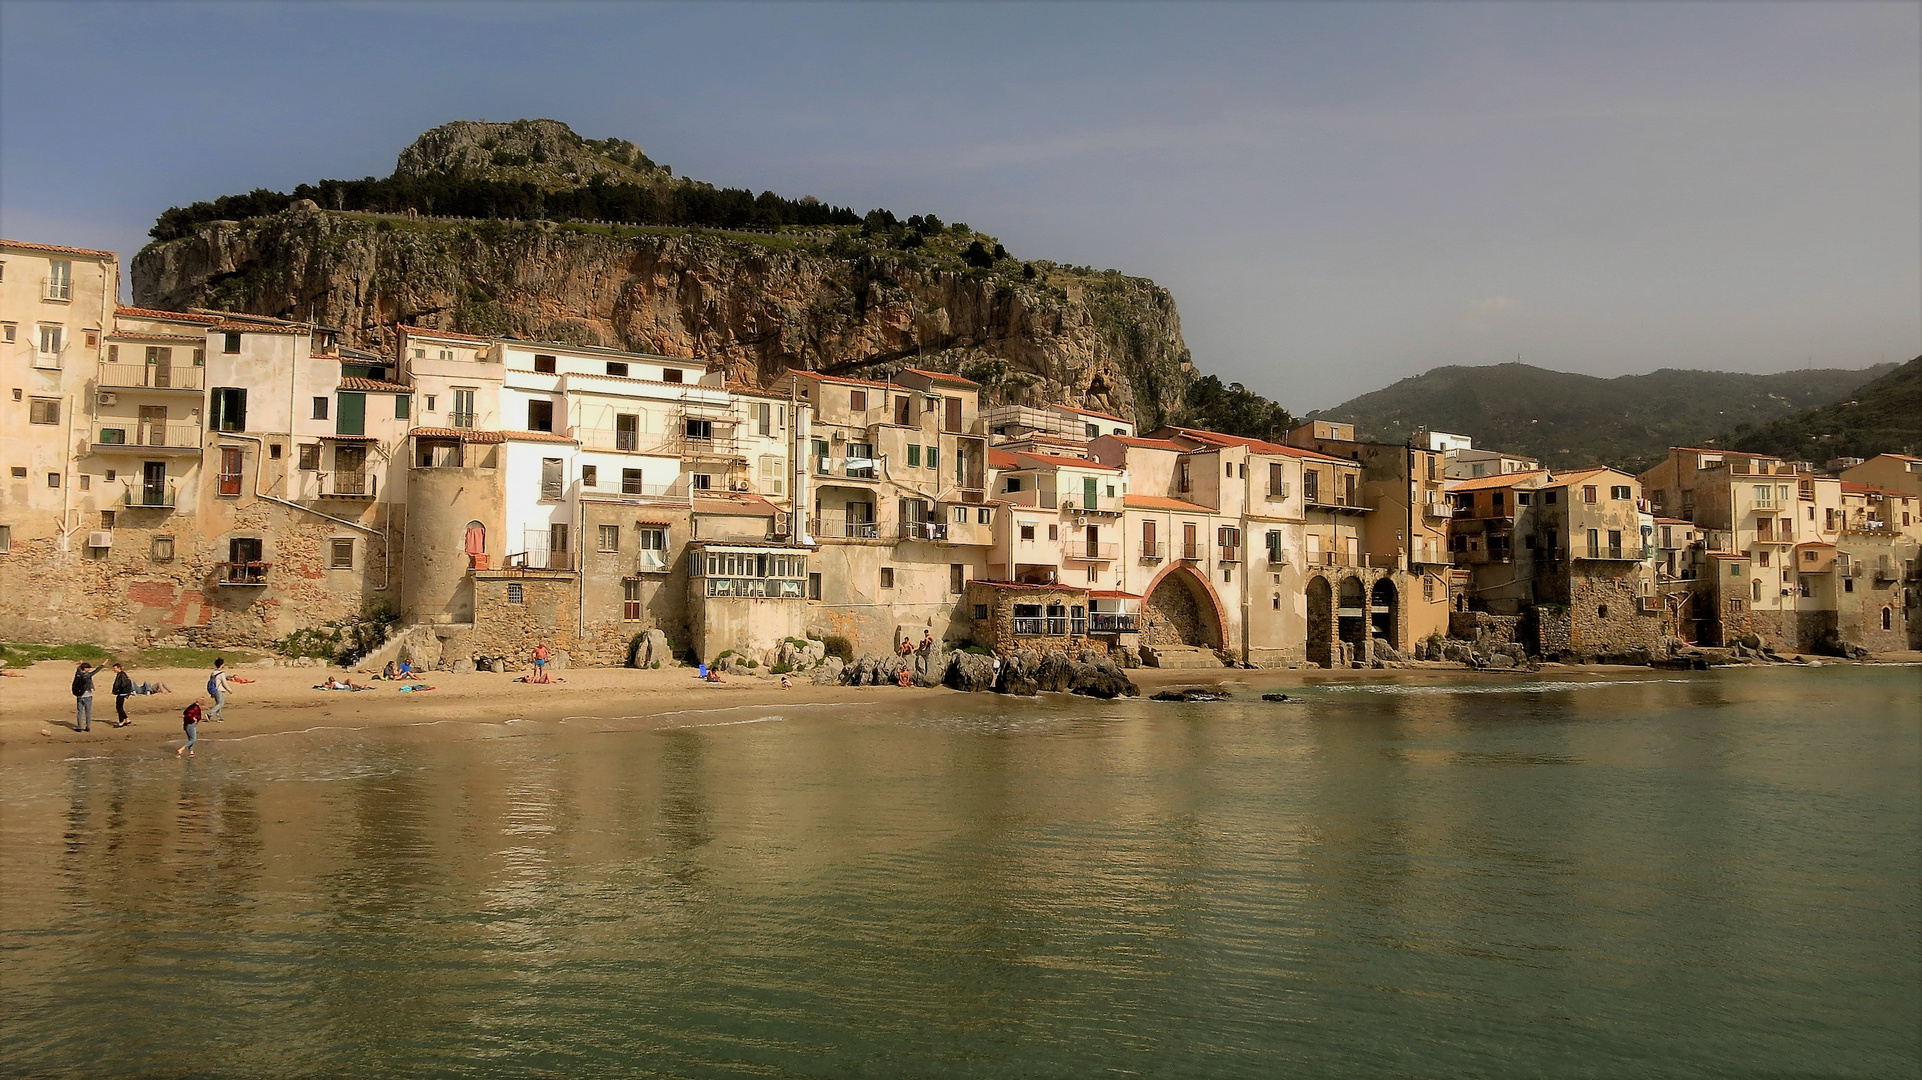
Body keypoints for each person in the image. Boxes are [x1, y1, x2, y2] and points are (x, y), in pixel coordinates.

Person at [71, 663, 96, 732]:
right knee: (88, 712)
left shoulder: (78, 675)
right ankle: (88, 726)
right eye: (88, 668)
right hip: (88, 696)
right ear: (85, 668)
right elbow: (96, 671)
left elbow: (78, 669)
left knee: (80, 712)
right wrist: (103, 665)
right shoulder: (87, 675)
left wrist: (80, 664)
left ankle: (79, 727)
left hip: (79, 696)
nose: (89, 669)